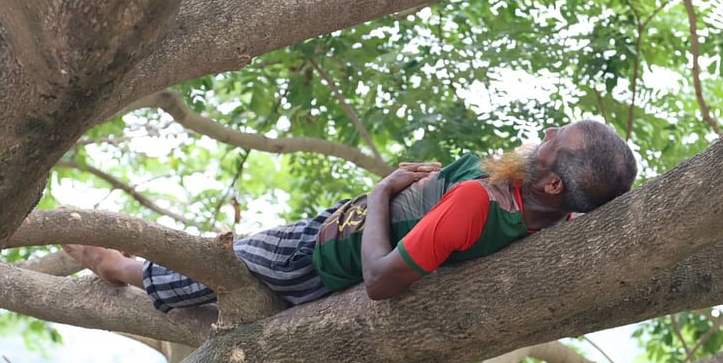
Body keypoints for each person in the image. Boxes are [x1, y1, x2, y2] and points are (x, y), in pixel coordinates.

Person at [63, 120, 637, 309]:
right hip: (341, 226)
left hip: (317, 255)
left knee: (226, 262)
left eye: (552, 141)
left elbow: (381, 281)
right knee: (240, 250)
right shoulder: (548, 216)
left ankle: (123, 270)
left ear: (554, 182)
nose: (541, 137)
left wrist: (385, 191)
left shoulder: (478, 205)